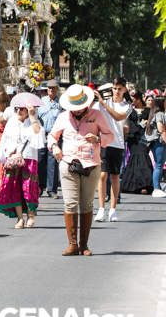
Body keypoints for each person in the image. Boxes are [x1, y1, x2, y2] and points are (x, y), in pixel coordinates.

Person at [48, 84, 114, 256]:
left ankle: (84, 245)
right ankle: (72, 244)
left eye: (79, 108)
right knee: (70, 203)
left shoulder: (97, 115)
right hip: (68, 163)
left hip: (90, 164)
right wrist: (54, 147)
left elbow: (110, 135)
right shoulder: (63, 117)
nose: (76, 111)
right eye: (73, 109)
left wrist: (98, 139)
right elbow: (52, 136)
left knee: (86, 204)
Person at [0, 102, 46, 228]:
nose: (19, 111)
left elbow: (39, 138)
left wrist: (33, 118)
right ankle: (20, 218)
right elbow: (5, 139)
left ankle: (31, 215)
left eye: (22, 109)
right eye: (17, 109)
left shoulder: (35, 122)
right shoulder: (11, 122)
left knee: (29, 188)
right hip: (13, 159)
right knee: (14, 188)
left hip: (29, 158)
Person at [94, 77, 131, 222]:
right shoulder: (102, 103)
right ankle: (101, 209)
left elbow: (118, 117)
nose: (116, 91)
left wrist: (103, 104)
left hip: (118, 144)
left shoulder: (127, 106)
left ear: (124, 90)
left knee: (115, 176)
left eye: (119, 89)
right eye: (114, 88)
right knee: (102, 175)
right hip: (103, 142)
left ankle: (113, 209)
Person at [120, 92, 154, 194]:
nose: (132, 101)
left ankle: (145, 184)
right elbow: (128, 124)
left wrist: (147, 124)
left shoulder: (148, 110)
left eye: (133, 99)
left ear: (139, 99)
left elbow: (153, 122)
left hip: (145, 138)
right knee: (135, 157)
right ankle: (138, 185)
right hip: (133, 138)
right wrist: (140, 125)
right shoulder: (129, 110)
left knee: (143, 156)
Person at [37, 80, 63, 198]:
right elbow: (36, 118)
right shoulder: (41, 102)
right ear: (46, 90)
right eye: (49, 88)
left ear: (56, 89)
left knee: (53, 161)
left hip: (55, 135)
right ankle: (39, 187)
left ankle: (52, 189)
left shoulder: (61, 103)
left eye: (53, 88)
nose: (51, 90)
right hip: (42, 134)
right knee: (40, 160)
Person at [147, 94, 166, 197]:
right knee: (159, 165)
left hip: (154, 142)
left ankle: (157, 187)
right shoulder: (160, 114)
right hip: (159, 142)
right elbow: (161, 129)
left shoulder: (153, 113)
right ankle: (156, 188)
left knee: (158, 165)